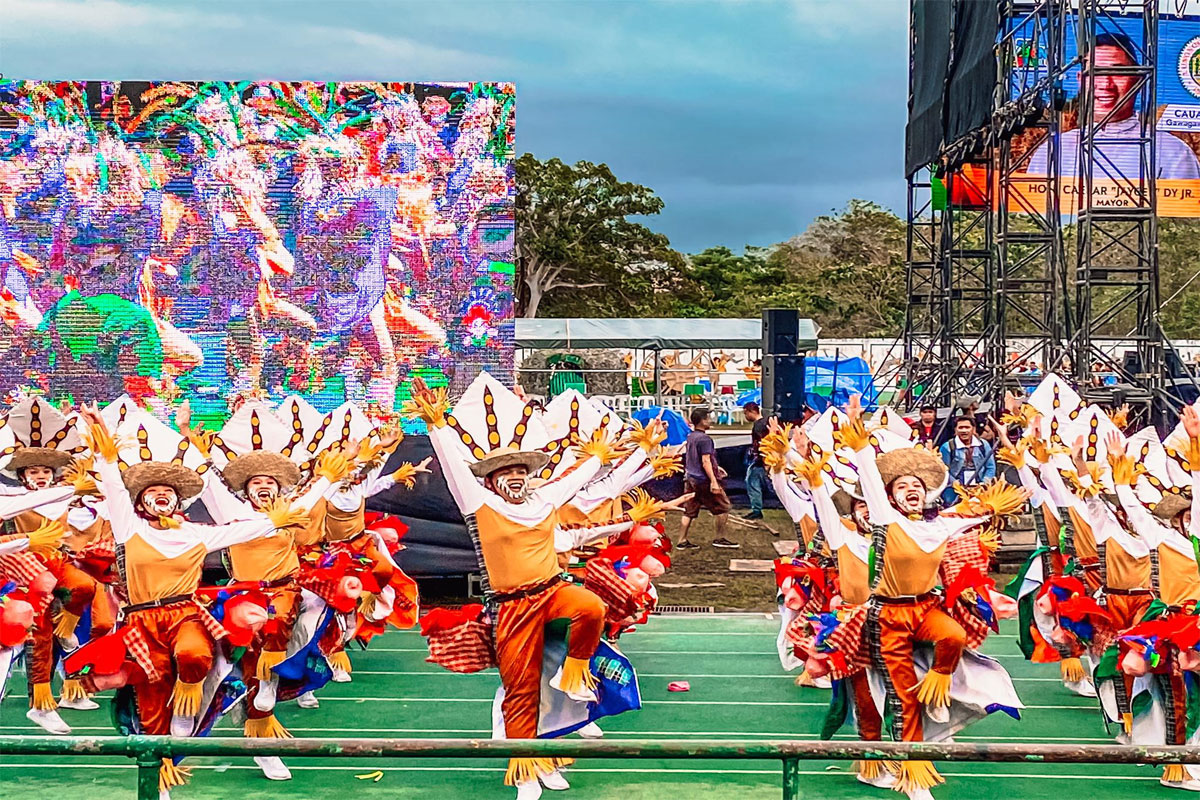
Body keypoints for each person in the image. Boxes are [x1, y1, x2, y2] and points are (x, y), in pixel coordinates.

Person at [1027, 32, 1200, 180]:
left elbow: (1184, 216)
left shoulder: (1173, 152)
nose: (1105, 84)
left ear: (1137, 80)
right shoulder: (1053, 150)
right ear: (1081, 80)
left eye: (1117, 72)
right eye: (1095, 72)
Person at [678, 408, 736, 550]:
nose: (710, 420)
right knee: (723, 508)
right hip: (703, 480)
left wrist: (717, 468)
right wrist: (714, 481)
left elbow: (697, 458)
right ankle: (720, 538)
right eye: (708, 418)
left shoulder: (691, 436)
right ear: (702, 421)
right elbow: (705, 461)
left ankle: (681, 540)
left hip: (690, 478)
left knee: (689, 510)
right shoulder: (705, 439)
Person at [938, 416, 995, 505]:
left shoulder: (984, 445)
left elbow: (990, 467)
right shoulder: (947, 447)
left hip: (980, 484)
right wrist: (955, 483)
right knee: (950, 504)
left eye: (967, 427)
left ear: (973, 429)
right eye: (960, 428)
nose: (964, 431)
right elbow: (943, 470)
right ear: (955, 430)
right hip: (955, 485)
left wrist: (984, 482)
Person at [742, 402, 769, 520]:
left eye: (746, 413)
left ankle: (756, 510)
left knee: (752, 482)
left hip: (760, 459)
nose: (745, 416)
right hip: (762, 459)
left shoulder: (758, 426)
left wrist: (764, 460)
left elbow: (762, 444)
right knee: (752, 480)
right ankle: (756, 509)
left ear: (751, 411)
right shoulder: (764, 423)